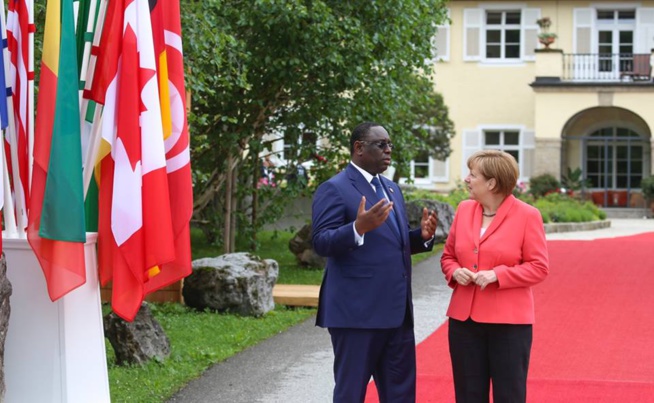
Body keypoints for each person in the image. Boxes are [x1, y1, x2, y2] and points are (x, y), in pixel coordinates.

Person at [312, 121, 438, 402]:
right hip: (357, 314)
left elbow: (394, 242)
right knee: (351, 393)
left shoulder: (391, 188)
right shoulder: (334, 188)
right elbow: (320, 242)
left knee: (401, 393)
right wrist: (357, 228)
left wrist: (422, 237)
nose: (388, 150)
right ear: (359, 148)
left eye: (390, 144)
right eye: (381, 144)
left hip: (397, 313)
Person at [440, 150, 549, 402]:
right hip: (464, 321)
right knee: (468, 395)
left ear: (491, 183)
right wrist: (455, 271)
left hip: (509, 324)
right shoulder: (464, 209)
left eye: (472, 174)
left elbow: (539, 267)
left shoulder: (527, 215)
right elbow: (447, 257)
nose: (467, 179)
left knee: (509, 395)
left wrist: (497, 275)